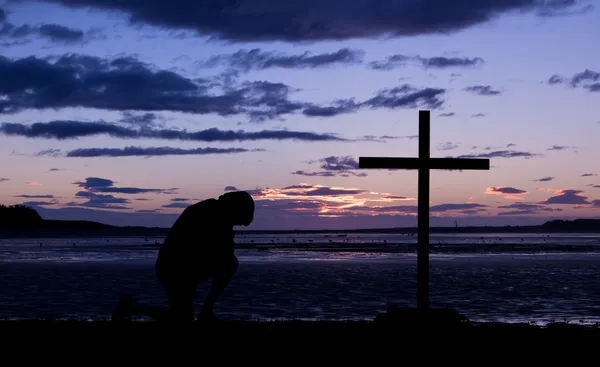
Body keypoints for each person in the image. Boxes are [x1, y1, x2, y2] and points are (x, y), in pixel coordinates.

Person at [111, 191, 255, 322]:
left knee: (183, 317)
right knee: (182, 320)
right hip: (175, 268)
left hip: (182, 265)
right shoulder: (212, 215)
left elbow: (220, 248)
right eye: (239, 221)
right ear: (236, 209)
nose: (237, 224)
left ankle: (205, 311)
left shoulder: (215, 211)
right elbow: (220, 249)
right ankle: (133, 308)